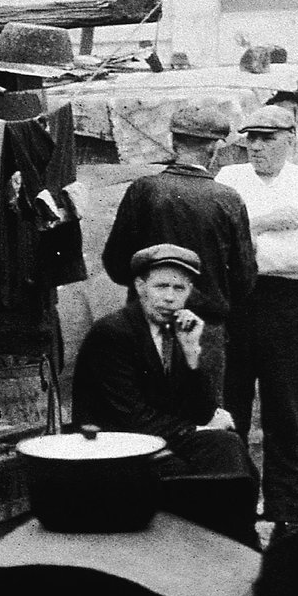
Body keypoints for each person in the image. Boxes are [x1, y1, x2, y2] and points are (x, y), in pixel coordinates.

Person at [215, 103, 298, 535]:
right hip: (235, 306)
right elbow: (216, 243)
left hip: (289, 308)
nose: (256, 147)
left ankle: (285, 513)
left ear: (291, 139)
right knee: (229, 410)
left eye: (267, 138)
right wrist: (269, 224)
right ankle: (232, 510)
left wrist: (251, 245)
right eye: (250, 137)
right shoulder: (228, 181)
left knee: (284, 414)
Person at [102, 103, 257, 395]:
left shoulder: (142, 190)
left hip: (145, 328)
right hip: (203, 331)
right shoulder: (228, 200)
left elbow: (115, 264)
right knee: (202, 421)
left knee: (147, 425)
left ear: (173, 142)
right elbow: (244, 279)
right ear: (213, 149)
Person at [72, 243, 251, 479]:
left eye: (179, 289)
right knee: (208, 467)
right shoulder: (113, 333)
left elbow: (201, 411)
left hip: (158, 438)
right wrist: (197, 430)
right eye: (161, 287)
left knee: (228, 449)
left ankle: (233, 514)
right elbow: (129, 416)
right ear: (140, 287)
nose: (169, 298)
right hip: (113, 444)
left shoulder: (176, 331)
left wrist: (191, 352)